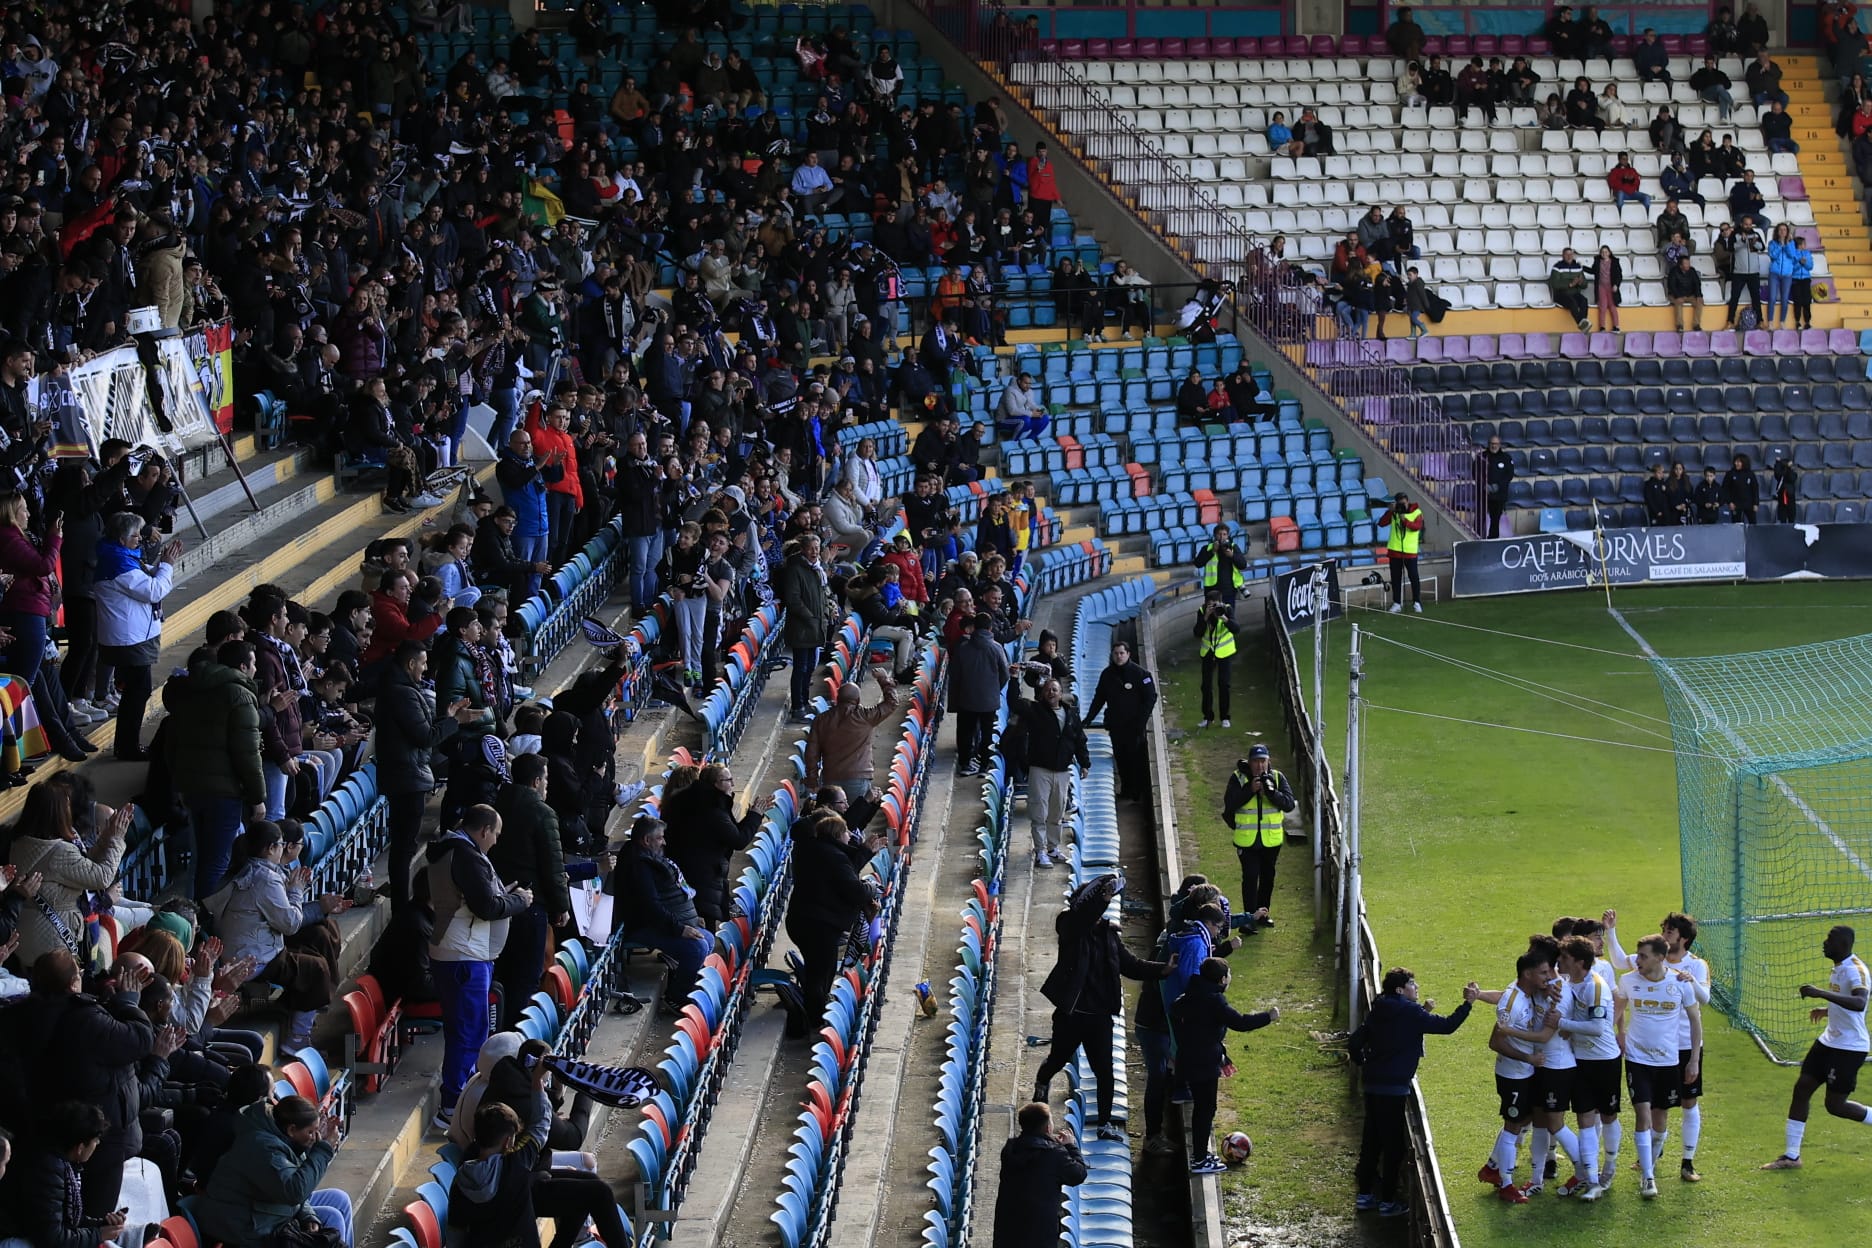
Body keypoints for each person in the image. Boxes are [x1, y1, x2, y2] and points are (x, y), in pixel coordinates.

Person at [1032, 874, 1169, 1144]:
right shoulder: (1069, 925)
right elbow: (1081, 919)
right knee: (1057, 1060)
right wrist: (1101, 899)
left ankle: (1105, 1122)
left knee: (1105, 1072)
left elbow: (1130, 964)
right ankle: (1041, 1084)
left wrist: (1163, 970)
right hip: (1072, 1016)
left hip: (1100, 1018)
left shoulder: (1108, 934)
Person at [426, 805, 533, 1133]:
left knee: (465, 1029)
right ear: (484, 830)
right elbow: (485, 906)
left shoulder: (454, 851)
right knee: (469, 1031)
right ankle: (452, 1105)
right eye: (496, 834)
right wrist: (520, 902)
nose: (496, 841)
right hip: (464, 956)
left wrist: (504, 896)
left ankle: (458, 1100)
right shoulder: (466, 856)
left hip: (459, 952)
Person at [204, 823, 348, 1051]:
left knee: (317, 939)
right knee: (315, 968)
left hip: (249, 947)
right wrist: (297, 889)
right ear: (270, 848)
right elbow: (290, 924)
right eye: (281, 845)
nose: (283, 850)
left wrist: (312, 902)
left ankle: (303, 1005)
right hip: (252, 958)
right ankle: (298, 1039)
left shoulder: (249, 868)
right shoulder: (264, 878)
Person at [1349, 969, 1479, 1216]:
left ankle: (1364, 1195)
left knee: (1371, 1141)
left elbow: (1356, 1042)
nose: (1416, 986)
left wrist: (1364, 1063)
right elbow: (1448, 1026)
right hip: (1394, 1088)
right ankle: (1388, 1202)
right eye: (1411, 983)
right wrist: (1468, 1004)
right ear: (1400, 990)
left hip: (1372, 1084)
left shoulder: (1380, 1008)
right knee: (1393, 1146)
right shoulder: (1411, 1012)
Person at [378, 641, 482, 913]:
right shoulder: (402, 693)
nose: (425, 669)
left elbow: (421, 729)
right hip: (406, 778)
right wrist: (455, 722)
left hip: (407, 775)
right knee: (404, 846)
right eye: (423, 663)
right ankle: (401, 906)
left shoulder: (402, 690)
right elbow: (424, 737)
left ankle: (403, 901)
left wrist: (448, 716)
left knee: (405, 844)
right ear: (411, 664)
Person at [1763, 925, 1869, 1170]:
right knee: (1802, 1088)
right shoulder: (1840, 967)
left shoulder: (1856, 971)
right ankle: (1791, 1157)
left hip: (1849, 1048)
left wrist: (1820, 994)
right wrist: (1827, 1010)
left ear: (1843, 944)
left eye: (1829, 940)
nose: (1824, 943)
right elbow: (1845, 1002)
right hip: (1829, 1041)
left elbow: (1859, 1001)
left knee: (1835, 1106)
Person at [194, 1095, 352, 1247]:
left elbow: (291, 1183)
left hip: (268, 1208)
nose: (314, 1137)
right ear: (291, 1129)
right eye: (310, 1132)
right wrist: (323, 1149)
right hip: (249, 1224)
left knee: (339, 1198)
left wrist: (307, 1215)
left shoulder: (283, 1137)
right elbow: (294, 1191)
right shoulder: (263, 1148)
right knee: (333, 1217)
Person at [1614, 934, 1702, 1199]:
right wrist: (1616, 1036)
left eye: (1643, 956)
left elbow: (1695, 1022)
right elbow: (1616, 1012)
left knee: (1660, 1120)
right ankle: (1648, 1177)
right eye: (1638, 955)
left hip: (1668, 1061)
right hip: (1637, 1059)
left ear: (1660, 958)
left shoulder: (1680, 982)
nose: (1637, 960)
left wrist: (1694, 1060)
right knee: (1643, 1115)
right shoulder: (1629, 981)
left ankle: (1649, 1164)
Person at [1171, 957, 1279, 1174]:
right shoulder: (1213, 1000)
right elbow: (1240, 1022)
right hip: (1204, 1064)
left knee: (1203, 1108)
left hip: (1189, 1059)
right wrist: (1268, 1016)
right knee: (1205, 1109)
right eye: (1228, 975)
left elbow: (1175, 1011)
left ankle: (1201, 1154)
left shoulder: (1189, 994)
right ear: (1221, 979)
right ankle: (1200, 1159)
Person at [489, 753, 571, 1032]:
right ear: (537, 781)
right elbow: (553, 864)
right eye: (546, 779)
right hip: (530, 904)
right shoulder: (542, 812)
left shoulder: (497, 803)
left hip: (499, 901)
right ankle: (517, 1038)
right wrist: (561, 906)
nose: (547, 785)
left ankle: (500, 1033)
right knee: (526, 976)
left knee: (503, 972)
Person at [91, 513, 180, 761]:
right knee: (137, 693)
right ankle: (127, 747)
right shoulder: (117, 563)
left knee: (136, 692)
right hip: (129, 640)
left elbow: (147, 574)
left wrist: (163, 564)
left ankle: (126, 744)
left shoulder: (120, 557)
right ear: (121, 539)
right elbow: (154, 589)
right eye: (134, 535)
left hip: (132, 637)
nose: (139, 539)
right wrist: (167, 566)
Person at [1478, 951, 1560, 1203]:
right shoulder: (1511, 1004)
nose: (1549, 977)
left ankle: (1492, 1169)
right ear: (1528, 974)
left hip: (1525, 1073)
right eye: (1544, 973)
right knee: (1513, 1125)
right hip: (1513, 1075)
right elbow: (1495, 1042)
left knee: (1524, 1119)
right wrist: (1528, 1059)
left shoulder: (1528, 993)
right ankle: (1506, 1185)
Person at [0, 1100, 130, 1248]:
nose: (98, 1144)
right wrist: (98, 1234)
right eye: (96, 1140)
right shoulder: (47, 1169)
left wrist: (102, 1225)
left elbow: (68, 1221)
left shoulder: (62, 1163)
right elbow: (52, 1239)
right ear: (80, 1147)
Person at [785, 809, 877, 1015]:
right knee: (820, 975)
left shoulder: (816, 850)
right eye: (846, 832)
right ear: (837, 835)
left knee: (819, 972)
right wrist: (871, 887)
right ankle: (815, 1020)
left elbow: (841, 879)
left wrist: (863, 852)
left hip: (805, 921)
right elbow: (855, 891)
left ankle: (817, 1014)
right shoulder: (834, 856)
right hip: (818, 926)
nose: (850, 836)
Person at [661, 762, 773, 928]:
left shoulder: (707, 803)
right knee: (704, 924)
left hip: (698, 872)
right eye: (728, 780)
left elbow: (732, 833)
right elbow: (738, 840)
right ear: (716, 783)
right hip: (703, 875)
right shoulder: (712, 808)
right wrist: (755, 816)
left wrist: (753, 815)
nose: (733, 784)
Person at [1551, 935, 1619, 1198]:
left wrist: (1562, 1024)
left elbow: (1598, 1027)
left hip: (1604, 1062)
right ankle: (1591, 1180)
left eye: (1565, 958)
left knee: (1609, 1116)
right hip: (1579, 1061)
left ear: (1579, 962)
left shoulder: (1595, 987)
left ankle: (1608, 1172)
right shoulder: (1569, 983)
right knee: (1584, 1119)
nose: (1560, 961)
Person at [1011, 678, 1089, 868]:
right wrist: (1014, 679)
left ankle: (1053, 848)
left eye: (1054, 690)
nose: (1051, 693)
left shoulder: (1071, 714)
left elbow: (1079, 740)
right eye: (1048, 690)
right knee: (1039, 812)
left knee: (1057, 812)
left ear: (1061, 693)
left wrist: (1085, 763)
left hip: (1062, 771)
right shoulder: (1035, 711)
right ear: (1042, 693)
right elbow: (1014, 702)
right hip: (1040, 769)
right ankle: (1040, 851)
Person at [991, 1103, 1088, 1248]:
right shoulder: (1054, 1154)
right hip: (1040, 1231)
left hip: (1008, 1227)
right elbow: (1078, 1174)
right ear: (1048, 1127)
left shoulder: (1011, 1149)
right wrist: (1070, 1147)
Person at [1224, 745, 1295, 923]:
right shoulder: (1238, 778)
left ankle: (1263, 915)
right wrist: (1250, 790)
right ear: (1249, 762)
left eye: (1263, 761)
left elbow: (1289, 804)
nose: (1259, 766)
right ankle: (1248, 918)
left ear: (1268, 761)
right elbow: (1230, 804)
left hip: (1271, 841)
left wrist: (1271, 793)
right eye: (1256, 761)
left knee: (1267, 878)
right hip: (1247, 842)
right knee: (1250, 878)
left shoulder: (1277, 777)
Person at [805, 668, 900, 798]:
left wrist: (812, 780)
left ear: (837, 698)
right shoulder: (865, 716)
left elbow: (811, 754)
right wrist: (884, 680)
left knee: (833, 817)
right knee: (857, 816)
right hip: (859, 778)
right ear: (858, 700)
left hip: (830, 778)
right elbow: (892, 703)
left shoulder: (821, 720)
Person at [1083, 642, 1158, 806]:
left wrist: (1141, 721)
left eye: (1121, 653)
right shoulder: (1107, 675)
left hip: (1134, 727)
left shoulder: (1141, 674)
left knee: (1135, 760)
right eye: (1116, 653)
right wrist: (1088, 718)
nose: (1118, 656)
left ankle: (1136, 793)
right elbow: (1099, 698)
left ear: (1128, 654)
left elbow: (1151, 697)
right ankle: (1126, 789)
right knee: (1121, 759)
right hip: (1116, 726)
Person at [776, 536, 830, 723]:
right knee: (801, 667)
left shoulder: (817, 569)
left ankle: (805, 701)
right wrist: (811, 617)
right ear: (803, 550)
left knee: (809, 668)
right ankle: (797, 706)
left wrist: (826, 610)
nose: (815, 551)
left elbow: (822, 594)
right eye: (811, 548)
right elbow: (793, 599)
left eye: (817, 547)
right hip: (802, 626)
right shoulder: (795, 569)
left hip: (815, 625)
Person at [948, 613, 1010, 777]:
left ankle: (965, 764)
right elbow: (1005, 674)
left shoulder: (963, 648)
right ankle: (984, 766)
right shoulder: (996, 648)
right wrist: (994, 689)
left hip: (966, 698)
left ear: (974, 627)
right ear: (990, 628)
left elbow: (955, 674)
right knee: (987, 732)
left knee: (965, 731)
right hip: (989, 700)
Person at [1194, 593, 1237, 730]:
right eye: (1210, 604)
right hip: (1208, 652)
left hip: (1224, 652)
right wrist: (1205, 617)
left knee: (1224, 684)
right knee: (1206, 686)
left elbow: (1236, 629)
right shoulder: (1202, 611)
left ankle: (1225, 717)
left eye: (1215, 604)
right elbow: (1197, 633)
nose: (1212, 607)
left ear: (1220, 602)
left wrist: (1224, 618)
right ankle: (1207, 717)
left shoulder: (1227, 609)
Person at [1379, 492, 1425, 613]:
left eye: (1403, 503)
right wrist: (1390, 511)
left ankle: (1417, 602)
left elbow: (1416, 527)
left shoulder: (1416, 512)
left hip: (1410, 551)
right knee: (1395, 578)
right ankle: (1397, 603)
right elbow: (1382, 523)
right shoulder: (1394, 513)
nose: (1401, 506)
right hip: (1395, 550)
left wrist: (1405, 521)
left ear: (1407, 501)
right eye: (1398, 503)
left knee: (1414, 576)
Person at [1193, 522, 1247, 606]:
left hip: (1228, 590)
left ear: (1228, 536)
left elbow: (1243, 565)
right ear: (1215, 535)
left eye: (1224, 534)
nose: (1222, 537)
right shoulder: (1207, 548)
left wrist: (1232, 555)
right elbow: (1198, 563)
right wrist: (1212, 552)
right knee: (1212, 617)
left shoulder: (1233, 547)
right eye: (1219, 534)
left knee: (1228, 616)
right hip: (1211, 591)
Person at [1480, 435, 1515, 539]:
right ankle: (1478, 538)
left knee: (1495, 518)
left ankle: (1493, 539)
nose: (1493, 446)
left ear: (1499, 445)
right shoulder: (1481, 456)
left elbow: (1509, 475)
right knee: (1480, 518)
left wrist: (1497, 486)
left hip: (1499, 495)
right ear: (1488, 444)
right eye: (1491, 444)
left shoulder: (1506, 458)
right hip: (1484, 494)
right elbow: (1475, 472)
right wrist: (1483, 485)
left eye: (1496, 444)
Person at [1550, 247, 1591, 331]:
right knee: (1572, 302)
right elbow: (1554, 284)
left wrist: (1580, 282)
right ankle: (1582, 324)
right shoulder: (1557, 267)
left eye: (1571, 254)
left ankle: (1582, 323)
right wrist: (1570, 284)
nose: (1569, 256)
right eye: (1567, 254)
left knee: (1584, 300)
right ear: (1563, 256)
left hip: (1574, 293)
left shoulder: (1578, 267)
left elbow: (1585, 284)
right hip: (1561, 294)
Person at [1667, 253, 1706, 333]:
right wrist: (1677, 296)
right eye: (1686, 264)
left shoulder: (1692, 271)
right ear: (1680, 265)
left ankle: (1696, 325)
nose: (1688, 265)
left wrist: (1699, 296)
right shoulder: (1673, 272)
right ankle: (1679, 325)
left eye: (1688, 263)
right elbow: (1671, 286)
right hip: (1676, 295)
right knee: (1678, 303)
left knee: (1700, 302)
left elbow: (1697, 283)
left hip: (1689, 295)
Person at [1589, 245, 1623, 332]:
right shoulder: (1597, 262)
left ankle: (1616, 326)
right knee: (1602, 307)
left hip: (1611, 287)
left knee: (1612, 306)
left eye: (1606, 252)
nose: (1604, 253)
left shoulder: (1615, 262)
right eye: (1602, 252)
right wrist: (1582, 267)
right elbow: (1592, 271)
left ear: (1609, 252)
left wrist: (1616, 285)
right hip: (1601, 286)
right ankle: (1602, 327)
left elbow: (1619, 275)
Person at [1723, 453, 1761, 523]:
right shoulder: (1730, 474)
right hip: (1735, 504)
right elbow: (1725, 489)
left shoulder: (1750, 474)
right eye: (1735, 461)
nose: (1735, 463)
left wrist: (1756, 503)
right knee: (1736, 525)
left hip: (1749, 504)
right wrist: (1729, 502)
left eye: (1738, 462)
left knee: (1753, 523)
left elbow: (1755, 489)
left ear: (1744, 462)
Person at [1771, 454, 1800, 522]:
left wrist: (1788, 468)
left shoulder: (1793, 474)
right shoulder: (1780, 476)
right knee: (1782, 517)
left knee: (1791, 517)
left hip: (1790, 498)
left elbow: (1792, 478)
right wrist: (1778, 463)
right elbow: (1777, 474)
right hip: (1781, 498)